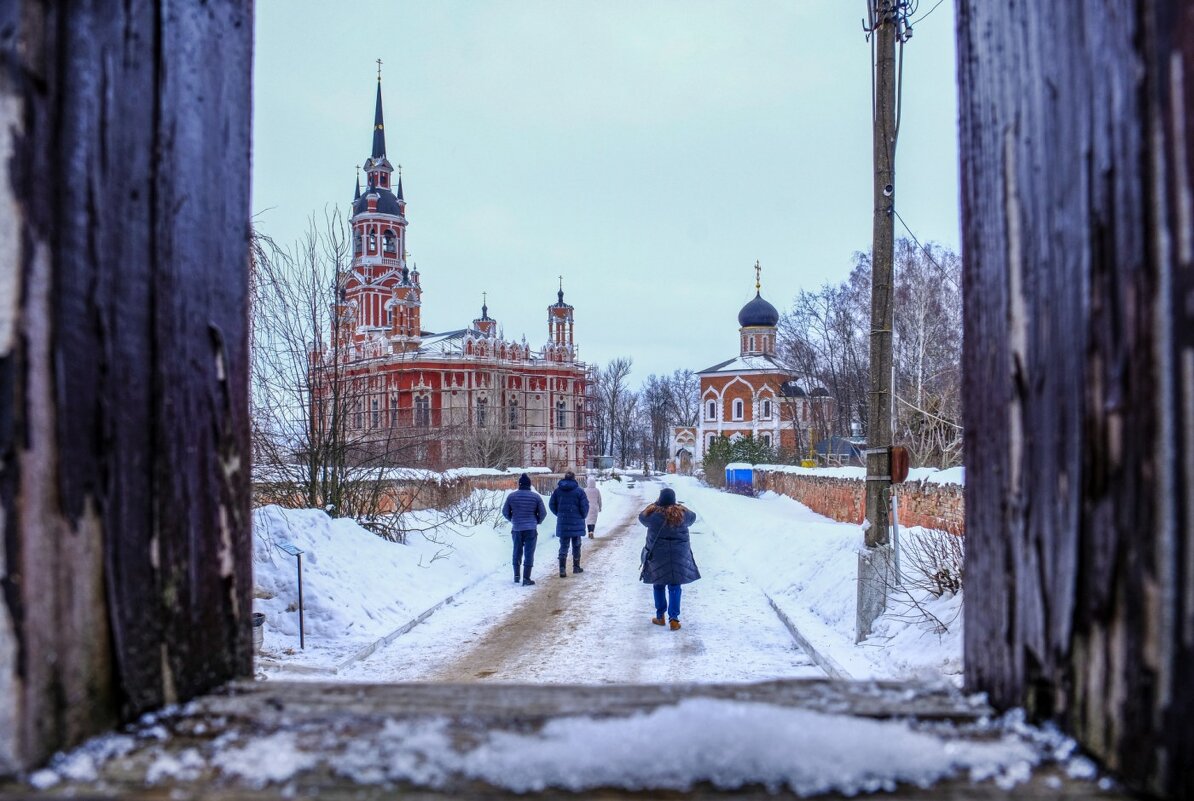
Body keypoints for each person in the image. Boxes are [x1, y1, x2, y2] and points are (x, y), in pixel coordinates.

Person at [638, 487, 699, 630]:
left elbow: (641, 517)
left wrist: (654, 505)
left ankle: (660, 617)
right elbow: (693, 516)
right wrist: (680, 506)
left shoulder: (653, 516)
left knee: (658, 584)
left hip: (658, 556)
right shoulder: (683, 515)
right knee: (675, 586)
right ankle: (674, 619)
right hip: (679, 555)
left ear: (660, 500)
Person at [502, 473, 546, 586]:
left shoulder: (511, 496)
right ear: (529, 485)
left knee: (517, 551)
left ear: (519, 485)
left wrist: (513, 519)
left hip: (517, 528)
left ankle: (516, 576)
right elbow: (543, 513)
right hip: (531, 528)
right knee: (529, 553)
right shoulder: (536, 497)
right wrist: (537, 521)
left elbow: (505, 512)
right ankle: (526, 577)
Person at [549, 470, 589, 577]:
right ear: (574, 478)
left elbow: (551, 504)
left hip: (563, 522)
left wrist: (559, 513)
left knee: (563, 546)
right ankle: (576, 567)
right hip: (576, 522)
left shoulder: (558, 491)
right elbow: (585, 507)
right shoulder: (579, 491)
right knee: (576, 545)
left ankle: (562, 569)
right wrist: (582, 516)